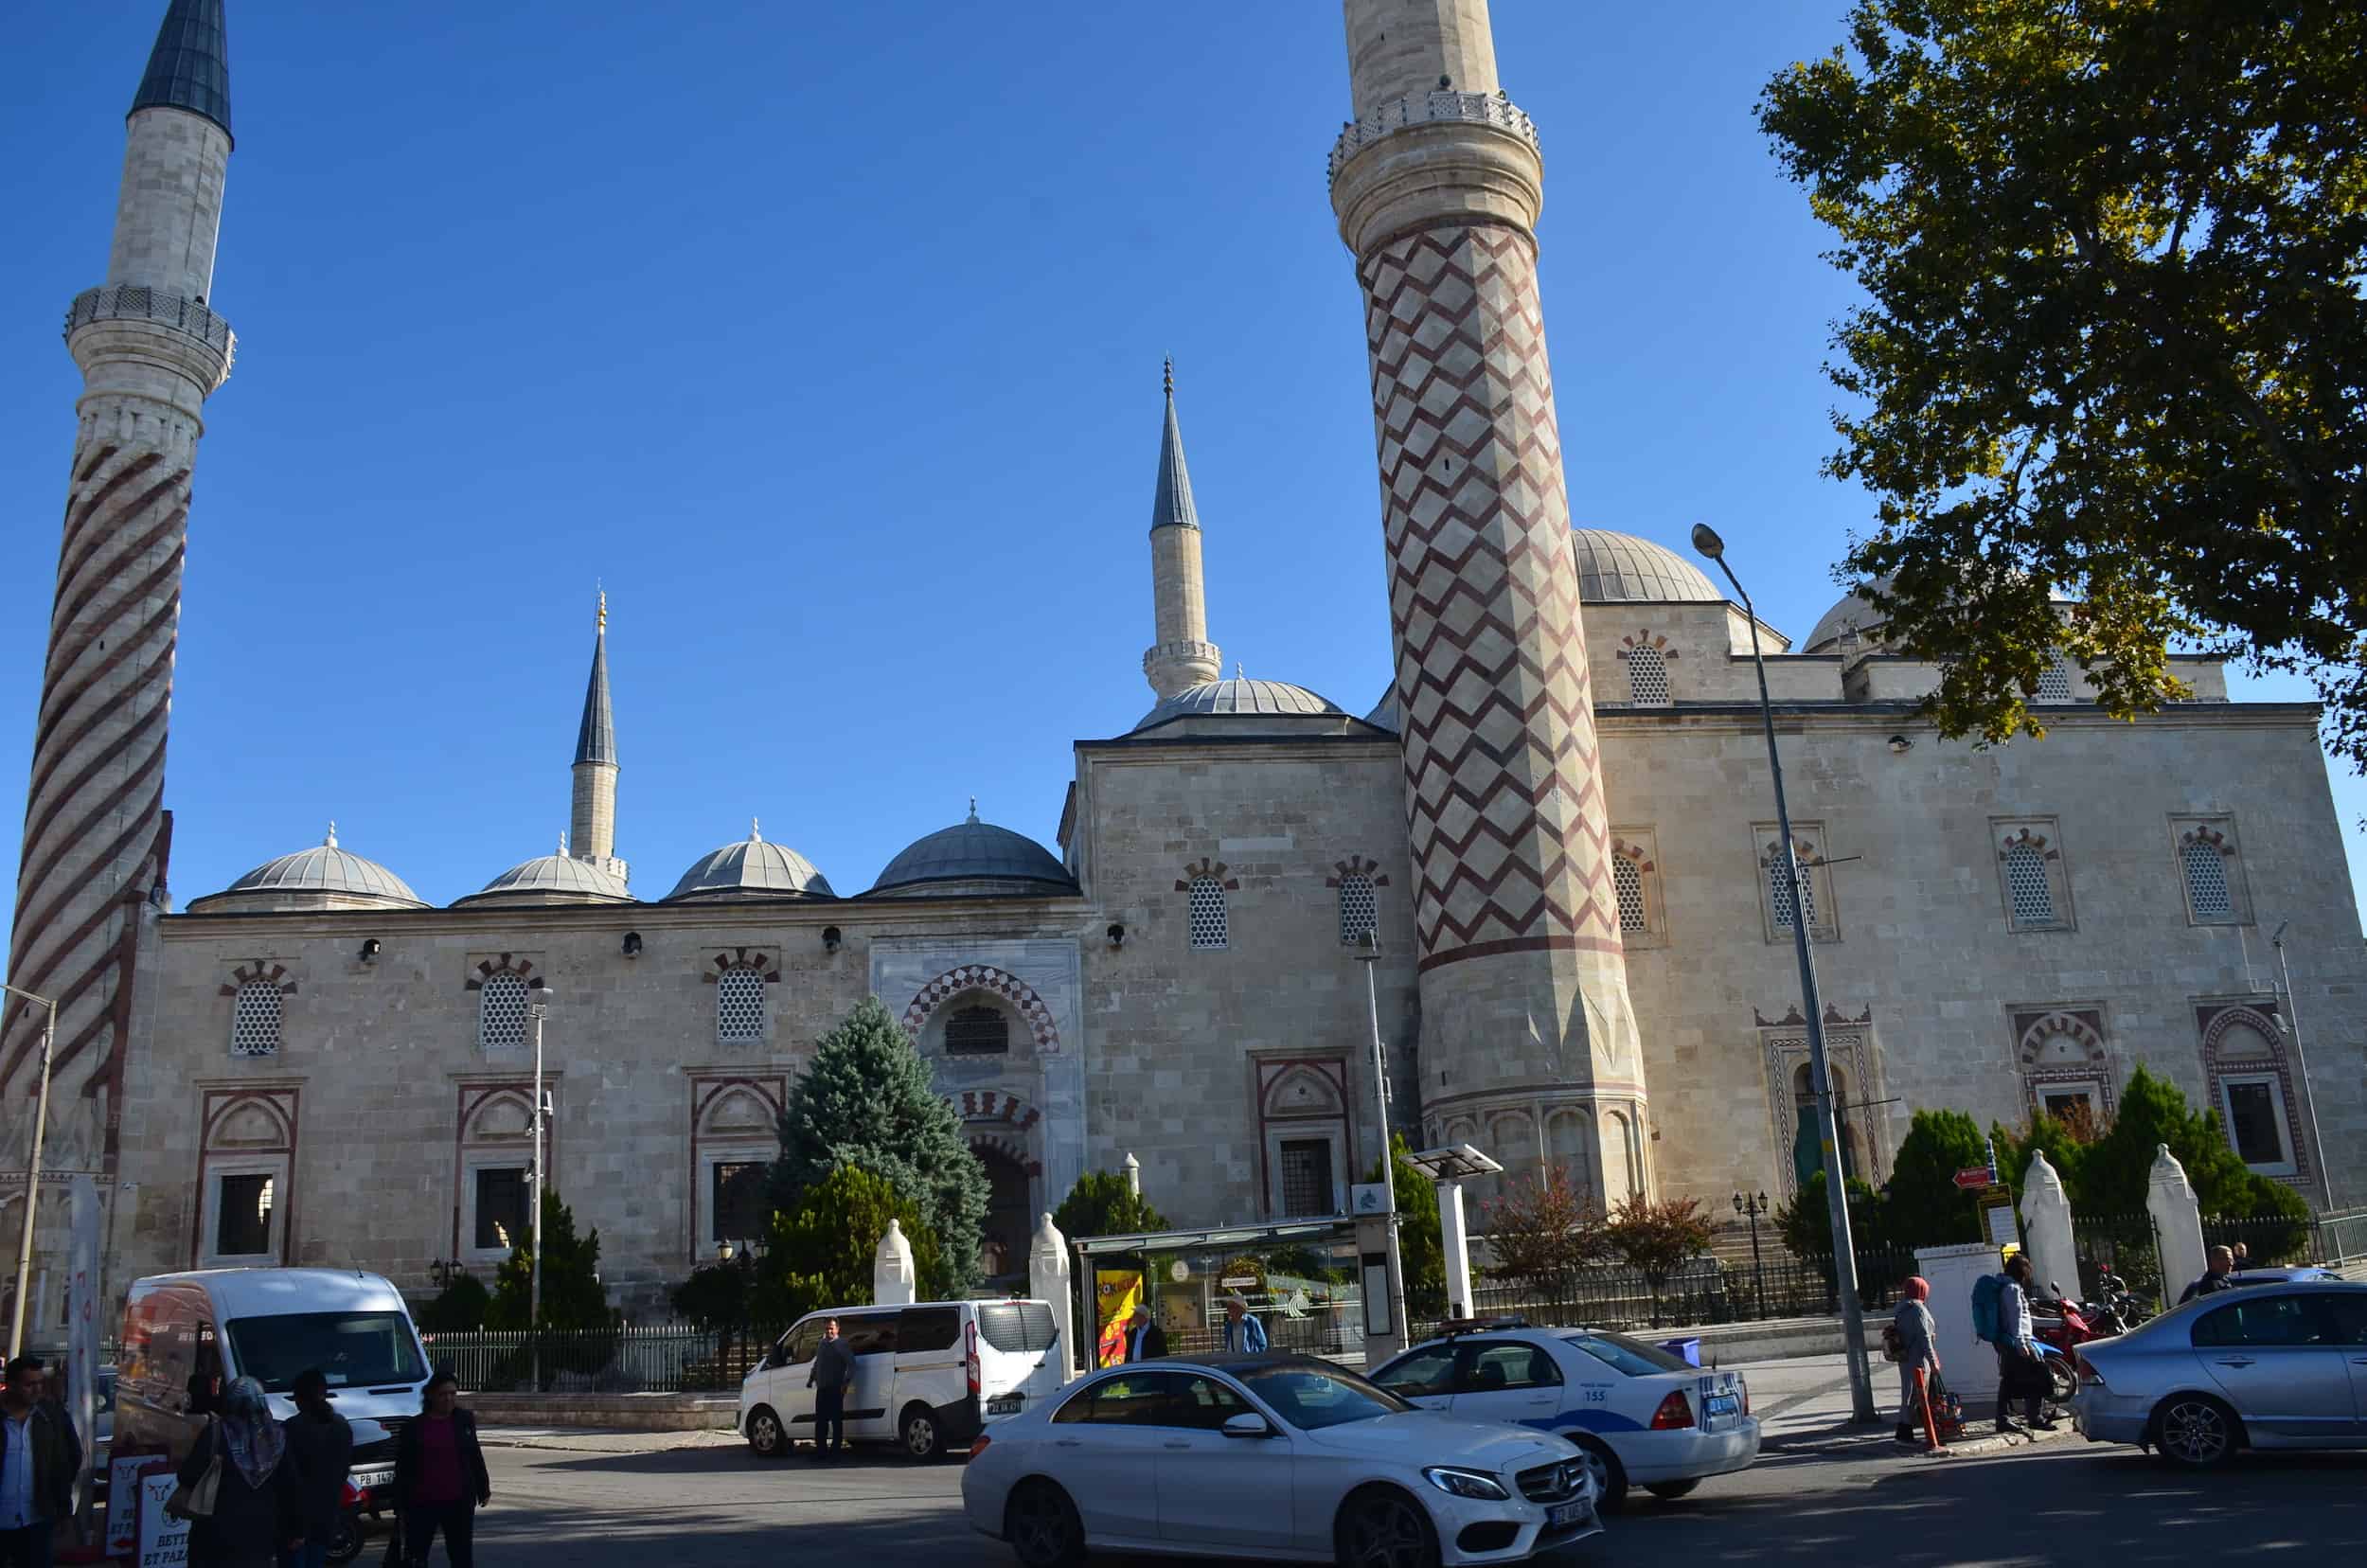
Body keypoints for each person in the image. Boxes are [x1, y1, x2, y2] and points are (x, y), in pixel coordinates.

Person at [178, 1375, 298, 1568]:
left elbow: (188, 1475)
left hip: (214, 1533)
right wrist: (296, 1530)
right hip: (261, 1533)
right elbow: (291, 1487)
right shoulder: (277, 1439)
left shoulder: (215, 1433)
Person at [393, 1372, 489, 1568]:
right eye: (443, 1394)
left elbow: (474, 1455)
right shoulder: (413, 1427)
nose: (449, 1399)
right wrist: (399, 1504)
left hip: (459, 1502)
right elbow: (403, 1468)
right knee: (416, 1555)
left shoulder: (464, 1420)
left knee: (461, 1555)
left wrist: (483, 1488)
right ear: (430, 1395)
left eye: (453, 1393)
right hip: (422, 1503)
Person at [1, 1356, 79, 1568]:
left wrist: (63, 1509)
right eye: (29, 1384)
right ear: (11, 1385)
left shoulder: (51, 1417)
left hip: (37, 1520)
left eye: (39, 1383)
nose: (36, 1390)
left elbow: (67, 1462)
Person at [279, 1369, 352, 1568]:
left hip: (296, 1516)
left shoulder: (290, 1429)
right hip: (326, 1512)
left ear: (300, 1398)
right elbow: (343, 1469)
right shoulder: (341, 1426)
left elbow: (288, 1477)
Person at [1992, 1254, 2055, 1434]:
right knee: (2038, 1373)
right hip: (2017, 1341)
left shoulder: (2005, 1286)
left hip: (2009, 1340)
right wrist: (2022, 1344)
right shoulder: (2011, 1289)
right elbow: (2016, 1318)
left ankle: (2004, 1418)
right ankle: (2034, 1417)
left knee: (2009, 1380)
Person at [1890, 1277, 1941, 1444]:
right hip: (1918, 1359)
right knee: (1917, 1396)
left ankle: (1904, 1432)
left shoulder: (1902, 1309)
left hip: (1905, 1359)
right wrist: (1933, 1361)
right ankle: (1912, 1433)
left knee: (1910, 1394)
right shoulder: (1918, 1309)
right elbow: (1924, 1337)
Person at [806, 1319, 854, 1463]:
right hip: (822, 1389)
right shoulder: (822, 1343)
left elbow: (852, 1364)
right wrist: (811, 1378)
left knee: (836, 1422)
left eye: (831, 1328)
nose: (829, 1331)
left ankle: (836, 1452)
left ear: (837, 1329)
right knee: (821, 1422)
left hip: (835, 1389)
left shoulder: (842, 1345)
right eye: (827, 1329)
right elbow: (817, 1363)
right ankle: (821, 1451)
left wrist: (845, 1383)